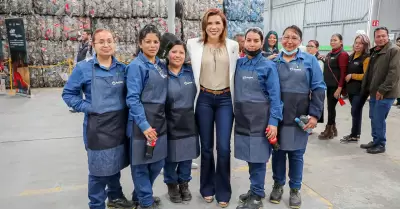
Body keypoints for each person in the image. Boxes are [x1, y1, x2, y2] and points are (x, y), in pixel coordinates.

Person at [62, 29, 133, 209]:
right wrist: (89, 107)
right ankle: (96, 204)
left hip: (119, 126)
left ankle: (115, 196)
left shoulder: (123, 69)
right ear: (93, 45)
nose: (106, 45)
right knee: (98, 171)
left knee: (115, 164)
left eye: (109, 40)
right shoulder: (83, 68)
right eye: (101, 41)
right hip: (97, 128)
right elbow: (69, 94)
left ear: (115, 43)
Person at [186, 8, 239, 208]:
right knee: (206, 148)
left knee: (223, 148)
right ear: (204, 26)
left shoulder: (233, 46)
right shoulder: (194, 44)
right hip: (204, 99)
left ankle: (223, 190)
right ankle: (207, 187)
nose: (214, 27)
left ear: (224, 25)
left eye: (217, 23)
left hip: (226, 99)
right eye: (210, 23)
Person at [269, 25, 326, 209]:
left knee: (296, 155)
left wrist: (315, 115)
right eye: (286, 37)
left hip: (299, 117)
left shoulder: (309, 61)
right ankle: (278, 185)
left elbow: (319, 88)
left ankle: (295, 189)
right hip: (277, 117)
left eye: (294, 38)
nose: (289, 41)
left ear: (300, 41)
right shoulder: (273, 62)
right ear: (281, 40)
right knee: (277, 153)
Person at [234, 27, 283, 209]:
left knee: (259, 158)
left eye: (256, 40)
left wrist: (273, 122)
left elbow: (275, 97)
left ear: (261, 43)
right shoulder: (239, 64)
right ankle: (254, 189)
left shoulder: (268, 66)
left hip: (261, 120)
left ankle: (257, 195)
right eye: (249, 40)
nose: (252, 43)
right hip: (243, 119)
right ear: (244, 42)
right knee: (249, 157)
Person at [126, 25, 167, 209]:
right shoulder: (136, 66)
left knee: (157, 161)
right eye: (148, 42)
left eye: (156, 42)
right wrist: (143, 125)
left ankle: (140, 194)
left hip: (159, 119)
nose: (152, 45)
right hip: (140, 121)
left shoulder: (160, 65)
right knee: (141, 164)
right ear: (140, 43)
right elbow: (133, 98)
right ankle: (145, 202)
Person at [162, 39, 200, 203]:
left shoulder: (191, 72)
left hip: (189, 120)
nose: (177, 55)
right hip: (168, 121)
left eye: (181, 52)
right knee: (170, 157)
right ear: (167, 53)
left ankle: (184, 183)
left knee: (187, 156)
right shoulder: (162, 73)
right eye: (174, 51)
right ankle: (171, 184)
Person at [360, 27, 400, 154]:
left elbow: (394, 73)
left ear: (388, 36)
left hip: (385, 93)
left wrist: (382, 90)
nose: (381, 38)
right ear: (375, 38)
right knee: (373, 116)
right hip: (374, 91)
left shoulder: (394, 50)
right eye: (378, 36)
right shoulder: (376, 51)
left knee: (378, 118)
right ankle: (375, 140)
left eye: (383, 36)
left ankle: (380, 144)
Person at [340, 34, 370, 143]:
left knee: (355, 111)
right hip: (351, 90)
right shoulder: (352, 56)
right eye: (356, 43)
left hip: (360, 90)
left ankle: (354, 134)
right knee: (356, 112)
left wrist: (352, 76)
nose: (357, 45)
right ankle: (355, 134)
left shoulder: (366, 58)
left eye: (361, 43)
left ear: (365, 45)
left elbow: (366, 75)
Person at [318, 33, 349, 140]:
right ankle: (333, 128)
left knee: (331, 108)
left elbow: (343, 72)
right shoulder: (330, 53)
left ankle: (329, 130)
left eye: (335, 40)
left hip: (336, 87)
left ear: (341, 42)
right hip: (329, 86)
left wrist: (339, 88)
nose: (332, 42)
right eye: (331, 40)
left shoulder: (342, 54)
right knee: (330, 108)